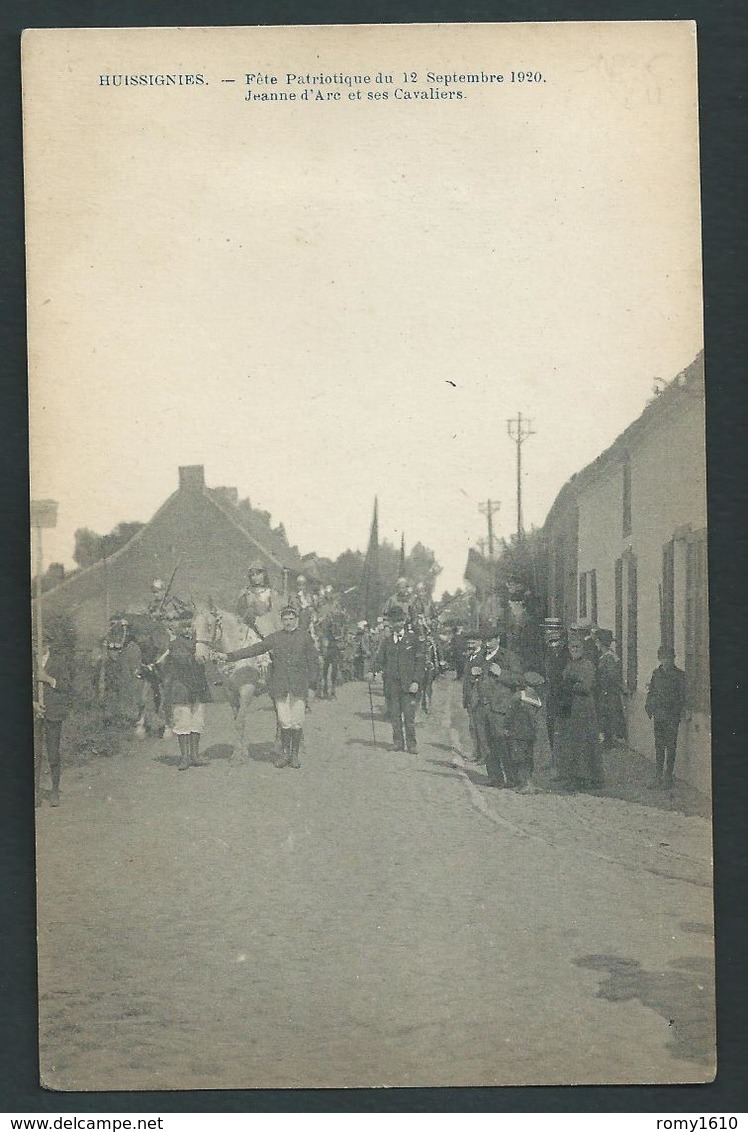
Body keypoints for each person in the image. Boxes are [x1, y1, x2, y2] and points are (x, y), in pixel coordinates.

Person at [221, 606, 319, 769]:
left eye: (291, 619)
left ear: (296, 620)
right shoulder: (275, 638)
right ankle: (284, 754)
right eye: (285, 619)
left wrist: (313, 686)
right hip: (280, 686)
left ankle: (294, 756)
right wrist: (230, 656)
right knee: (284, 721)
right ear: (281, 621)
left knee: (297, 722)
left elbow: (313, 662)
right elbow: (255, 649)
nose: (288, 622)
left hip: (299, 686)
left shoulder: (305, 638)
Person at [472, 631, 525, 787]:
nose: (487, 644)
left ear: (498, 640)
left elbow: (519, 679)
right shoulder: (480, 657)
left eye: (490, 640)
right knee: (486, 744)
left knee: (503, 743)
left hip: (500, 708)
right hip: (482, 707)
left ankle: (512, 779)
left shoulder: (508, 657)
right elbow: (471, 679)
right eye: (485, 640)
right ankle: (495, 777)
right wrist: (472, 674)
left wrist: (501, 673)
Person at [553, 629, 603, 791]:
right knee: (571, 744)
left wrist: (571, 684)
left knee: (584, 744)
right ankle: (574, 776)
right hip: (571, 709)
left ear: (583, 649)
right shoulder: (570, 664)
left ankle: (586, 778)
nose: (574, 650)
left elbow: (587, 686)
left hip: (584, 709)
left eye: (577, 647)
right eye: (572, 647)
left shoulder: (587, 665)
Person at [371, 608, 426, 753]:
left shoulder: (413, 640)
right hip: (392, 685)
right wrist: (372, 671)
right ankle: (397, 743)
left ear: (404, 621)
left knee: (409, 717)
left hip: (408, 686)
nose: (396, 624)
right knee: (394, 716)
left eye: (399, 621)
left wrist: (416, 681)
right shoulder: (387, 641)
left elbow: (420, 663)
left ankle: (411, 744)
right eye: (393, 621)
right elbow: (380, 660)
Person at [160, 625, 211, 770]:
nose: (188, 629)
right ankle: (185, 757)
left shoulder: (200, 643)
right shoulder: (175, 644)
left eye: (190, 626)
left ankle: (194, 755)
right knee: (183, 722)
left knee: (197, 722)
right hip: (182, 689)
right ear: (177, 629)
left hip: (198, 688)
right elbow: (183, 661)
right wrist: (198, 653)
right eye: (184, 626)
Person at [34, 636, 72, 807]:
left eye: (39, 643)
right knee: (35, 754)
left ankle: (55, 791)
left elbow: (66, 686)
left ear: (47, 644)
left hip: (53, 713)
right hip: (35, 713)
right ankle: (35, 793)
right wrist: (33, 703)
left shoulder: (58, 662)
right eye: (34, 643)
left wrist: (48, 679)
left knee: (53, 753)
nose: (36, 646)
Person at [645, 646, 686, 789]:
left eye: (668, 658)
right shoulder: (656, 673)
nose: (666, 661)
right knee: (659, 746)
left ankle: (668, 777)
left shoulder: (679, 675)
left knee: (671, 746)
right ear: (659, 659)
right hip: (659, 715)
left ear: (673, 658)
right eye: (663, 658)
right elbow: (651, 692)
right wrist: (649, 707)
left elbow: (682, 697)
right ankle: (658, 777)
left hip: (672, 717)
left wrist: (677, 713)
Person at [504, 675, 544, 793]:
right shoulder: (537, 699)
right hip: (530, 733)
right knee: (528, 757)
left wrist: (506, 726)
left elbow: (509, 712)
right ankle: (528, 782)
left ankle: (523, 783)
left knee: (518, 758)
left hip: (517, 731)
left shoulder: (518, 696)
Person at [595, 629, 626, 748]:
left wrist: (605, 685)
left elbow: (612, 676)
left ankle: (609, 741)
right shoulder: (606, 656)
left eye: (598, 642)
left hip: (608, 692)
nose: (597, 644)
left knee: (608, 715)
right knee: (605, 715)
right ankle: (607, 741)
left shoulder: (608, 657)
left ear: (602, 643)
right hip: (605, 691)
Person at [236, 561, 283, 638]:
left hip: (268, 628)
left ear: (264, 575)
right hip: (249, 629)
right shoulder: (245, 593)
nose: (255, 577)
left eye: (258, 574)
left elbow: (276, 613)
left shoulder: (271, 593)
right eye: (252, 575)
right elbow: (240, 613)